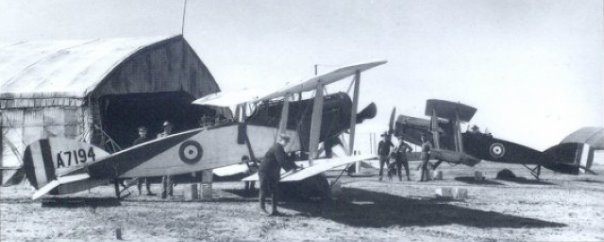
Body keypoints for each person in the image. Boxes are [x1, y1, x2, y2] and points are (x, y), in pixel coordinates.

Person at [258, 134, 300, 216]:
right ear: (281, 140)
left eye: (287, 142)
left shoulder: (280, 148)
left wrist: (296, 166)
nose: (286, 143)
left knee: (274, 191)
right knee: (263, 189)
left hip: (273, 172)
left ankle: (274, 210)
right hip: (265, 171)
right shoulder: (277, 147)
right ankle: (262, 209)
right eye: (286, 141)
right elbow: (281, 161)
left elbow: (286, 159)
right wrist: (290, 169)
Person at [133, 126, 154, 195]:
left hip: (147, 161)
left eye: (144, 131)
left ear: (146, 132)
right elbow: (133, 152)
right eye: (141, 131)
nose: (143, 133)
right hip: (140, 162)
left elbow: (151, 150)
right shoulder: (136, 141)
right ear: (139, 133)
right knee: (139, 178)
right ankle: (139, 192)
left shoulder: (149, 140)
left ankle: (148, 191)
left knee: (148, 177)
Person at [158, 121, 174, 199]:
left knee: (170, 177)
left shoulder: (174, 136)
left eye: (169, 127)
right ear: (164, 128)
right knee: (164, 177)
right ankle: (163, 193)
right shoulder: (160, 136)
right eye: (167, 127)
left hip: (171, 158)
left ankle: (169, 193)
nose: (168, 128)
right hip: (163, 158)